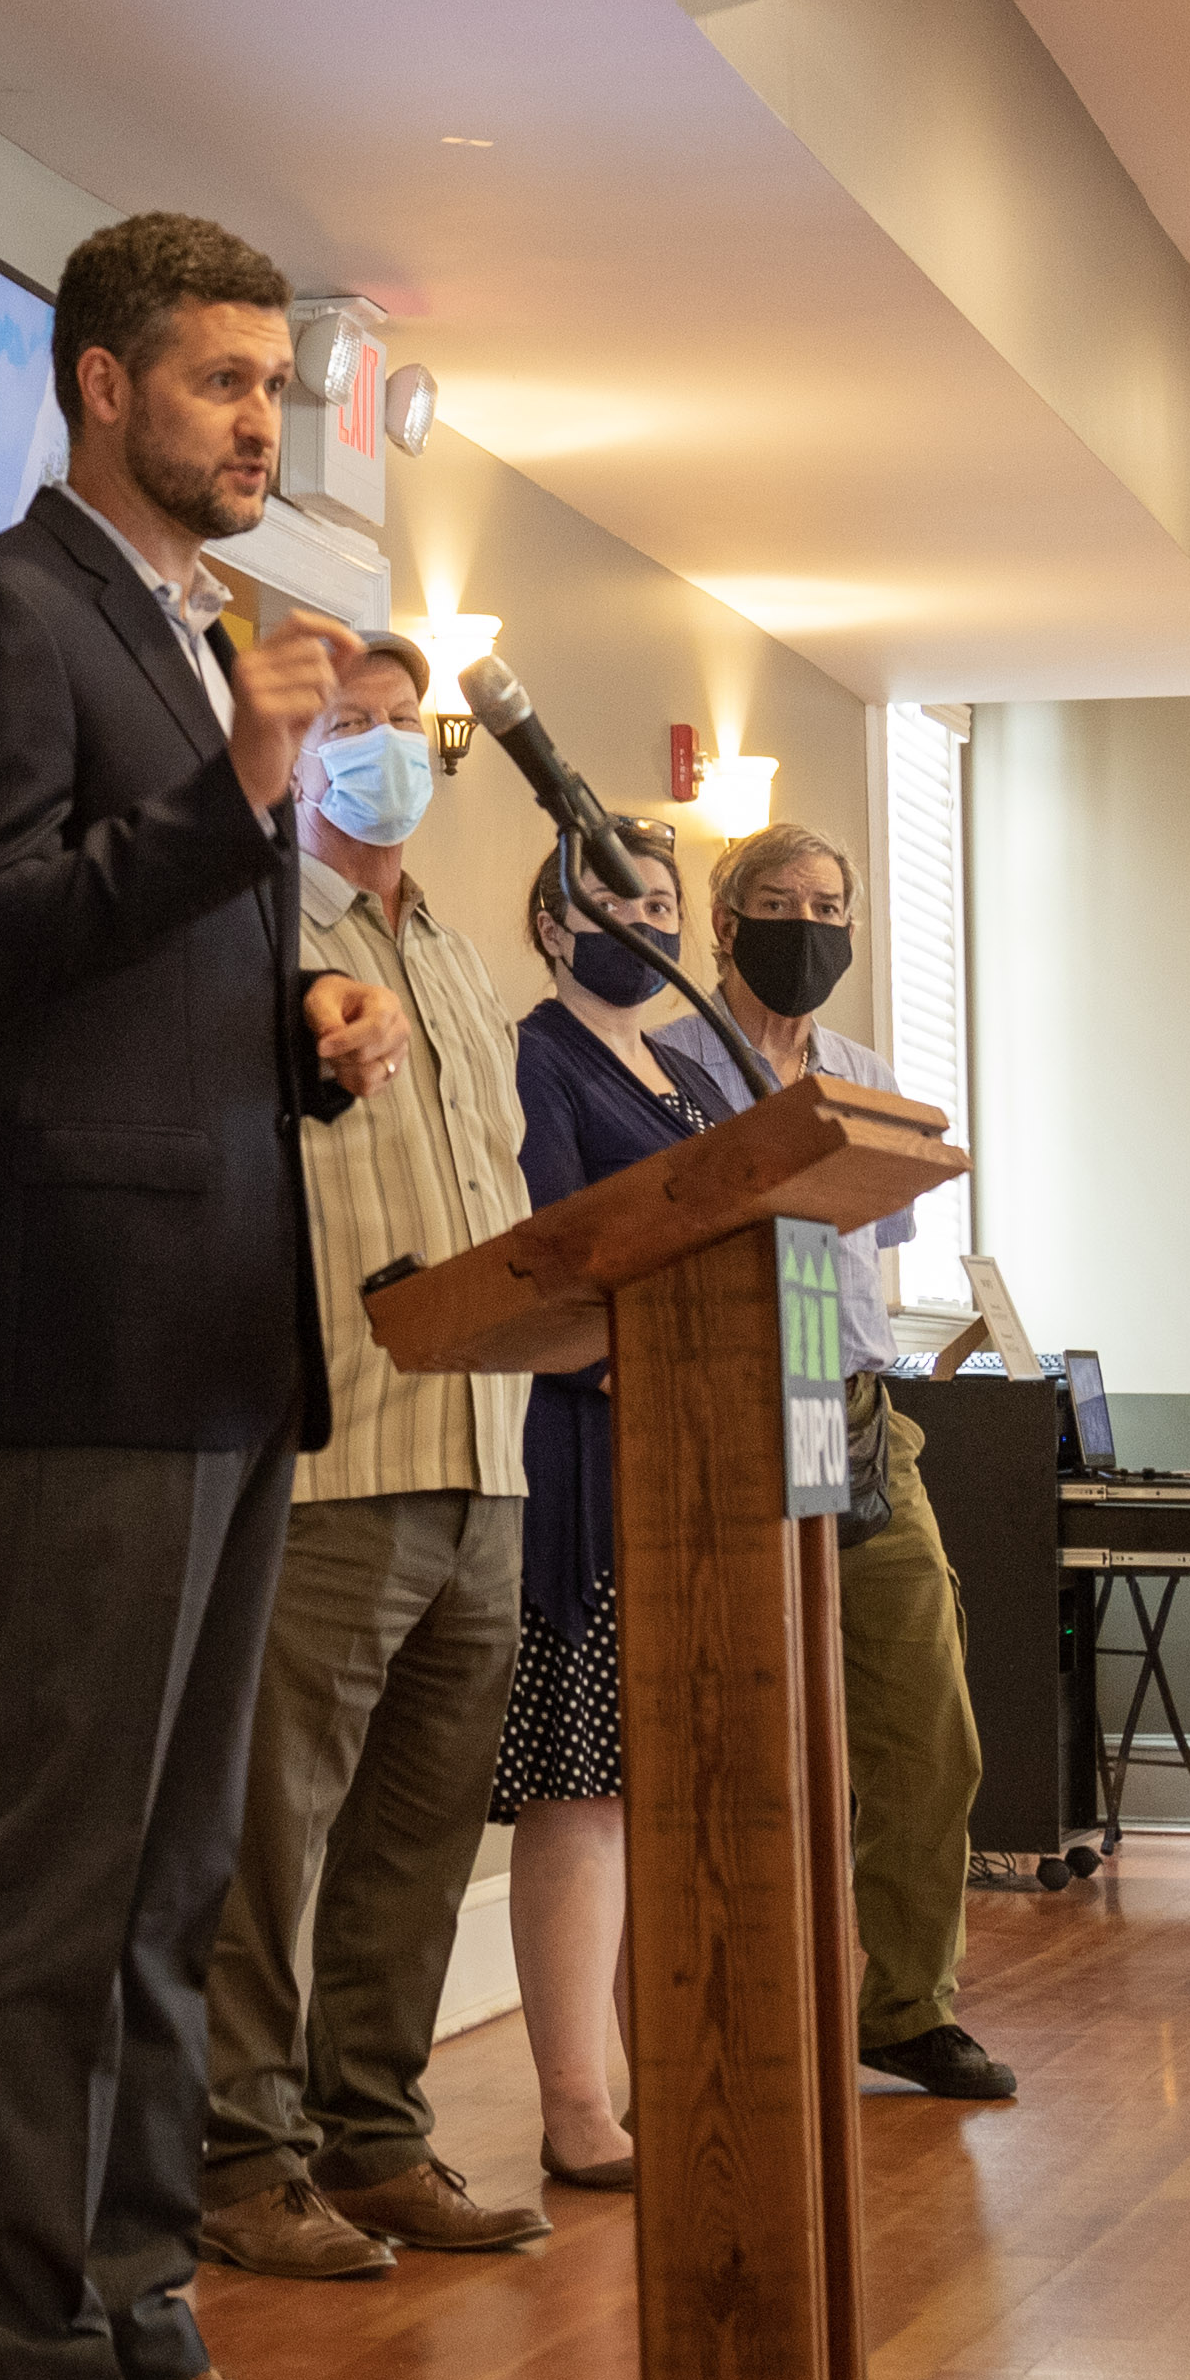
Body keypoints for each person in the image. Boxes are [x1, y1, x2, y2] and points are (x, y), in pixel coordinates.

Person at [0, 209, 421, 2380]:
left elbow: (142, 966)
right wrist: (242, 783)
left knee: (169, 1876)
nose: (253, 427)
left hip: (211, 1323)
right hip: (70, 1331)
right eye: (213, 382)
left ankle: (143, 2338)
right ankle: (10, 2379)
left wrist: (297, 1031)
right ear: (96, 383)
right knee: (52, 1880)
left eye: (267, 392)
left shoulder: (186, 637)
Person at [192, 630, 553, 2280]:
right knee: (277, 1826)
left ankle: (372, 2135)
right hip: (335, 1443)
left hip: (487, 1450)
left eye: (404, 728)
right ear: (289, 744)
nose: (381, 752)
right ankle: (235, 2157)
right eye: (347, 726)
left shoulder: (461, 965)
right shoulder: (245, 931)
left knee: (417, 1832)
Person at [656, 822, 1017, 2106]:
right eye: (776, 901)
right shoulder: (664, 1065)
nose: (804, 924)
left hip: (858, 1411)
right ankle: (734, 2006)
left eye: (827, 904)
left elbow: (874, 1248)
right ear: (722, 919)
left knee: (928, 1724)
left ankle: (906, 2008)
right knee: (739, 1731)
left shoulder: (861, 1071)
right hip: (718, 1411)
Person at [499, 814, 697, 2197]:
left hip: (709, 1458)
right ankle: (576, 2103)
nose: (654, 922)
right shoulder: (535, 1058)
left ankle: (674, 2069)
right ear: (558, 921)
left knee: (677, 1791)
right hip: (590, 1451)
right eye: (623, 900)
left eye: (669, 903)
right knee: (590, 1788)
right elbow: (554, 1254)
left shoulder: (697, 1073)